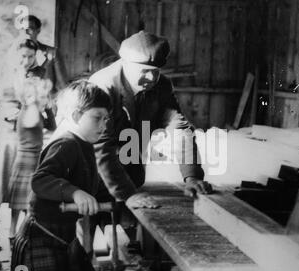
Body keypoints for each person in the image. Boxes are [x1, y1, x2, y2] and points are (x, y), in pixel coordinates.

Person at [88, 31, 213, 235]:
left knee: (128, 233)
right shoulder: (103, 86)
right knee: (85, 241)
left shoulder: (161, 85)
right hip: (90, 174)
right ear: (125, 63)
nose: (151, 78)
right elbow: (100, 146)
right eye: (144, 71)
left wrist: (192, 176)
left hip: (128, 173)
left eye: (156, 71)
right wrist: (126, 194)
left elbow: (179, 128)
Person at [11, 79, 110, 271]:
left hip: (61, 239)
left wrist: (125, 198)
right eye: (97, 118)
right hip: (39, 238)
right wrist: (74, 193)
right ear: (76, 115)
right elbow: (41, 179)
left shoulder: (84, 143)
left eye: (106, 119)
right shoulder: (66, 143)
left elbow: (91, 186)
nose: (103, 125)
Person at [0, 38, 46, 253]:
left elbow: (41, 102)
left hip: (27, 134)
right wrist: (7, 113)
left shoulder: (39, 74)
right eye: (22, 56)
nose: (26, 61)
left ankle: (20, 233)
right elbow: (1, 100)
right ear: (15, 55)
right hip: (7, 133)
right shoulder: (4, 72)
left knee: (24, 185)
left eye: (30, 57)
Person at [8, 75, 55, 249]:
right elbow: (33, 121)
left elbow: (52, 127)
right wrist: (36, 102)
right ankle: (13, 233)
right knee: (21, 201)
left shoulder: (34, 110)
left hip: (33, 157)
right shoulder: (28, 111)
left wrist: (48, 108)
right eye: (42, 96)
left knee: (27, 200)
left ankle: (21, 232)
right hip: (26, 158)